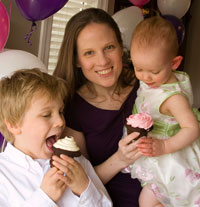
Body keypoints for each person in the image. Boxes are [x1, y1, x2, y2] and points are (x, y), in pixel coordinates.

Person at [53, 8, 142, 207]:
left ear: (121, 47)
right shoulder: (71, 109)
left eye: (109, 47)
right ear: (76, 59)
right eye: (89, 53)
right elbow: (81, 182)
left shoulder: (146, 85)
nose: (102, 61)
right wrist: (120, 159)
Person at [0, 68, 112, 207]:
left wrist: (84, 188)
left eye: (60, 111)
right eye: (46, 115)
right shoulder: (3, 175)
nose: (60, 122)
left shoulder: (77, 162)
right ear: (14, 125)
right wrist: (44, 198)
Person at [128, 16, 200, 206]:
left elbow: (192, 129)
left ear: (174, 63)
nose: (145, 77)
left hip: (172, 156)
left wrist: (165, 147)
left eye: (154, 71)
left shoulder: (173, 98)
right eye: (139, 68)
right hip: (155, 153)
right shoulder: (153, 77)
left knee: (147, 201)